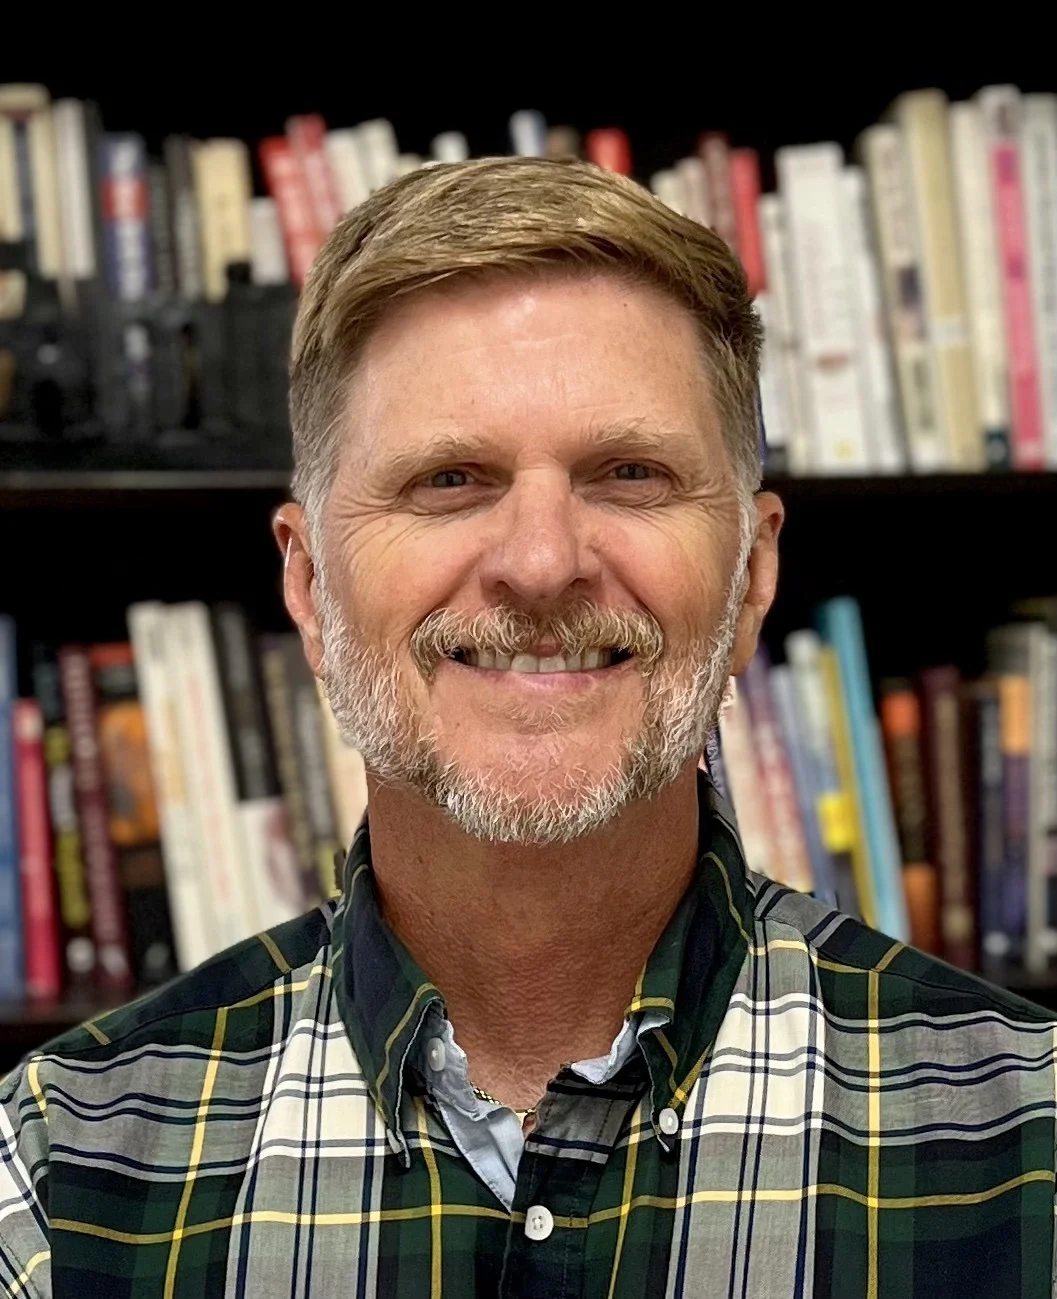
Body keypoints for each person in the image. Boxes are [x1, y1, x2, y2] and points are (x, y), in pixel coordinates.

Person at [2, 157, 1055, 1299]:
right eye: (450, 479)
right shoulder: (62, 1170)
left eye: (630, 474)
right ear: (309, 588)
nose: (542, 562)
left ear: (752, 578)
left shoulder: (1028, 1150)